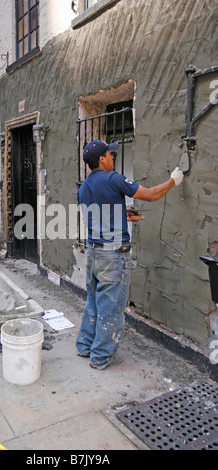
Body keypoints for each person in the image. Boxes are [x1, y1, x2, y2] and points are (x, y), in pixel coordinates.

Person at [76, 140, 184, 370]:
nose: (113, 157)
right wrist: (173, 181)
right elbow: (152, 195)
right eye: (110, 154)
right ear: (102, 159)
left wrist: (124, 215)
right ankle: (101, 357)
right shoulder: (114, 178)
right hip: (113, 255)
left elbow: (99, 215)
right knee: (111, 307)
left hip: (94, 253)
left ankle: (85, 345)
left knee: (93, 302)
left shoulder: (83, 188)